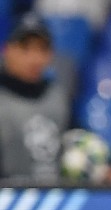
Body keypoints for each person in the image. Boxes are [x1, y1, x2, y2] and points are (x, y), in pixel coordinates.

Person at [0, 15, 69, 184]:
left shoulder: (58, 96)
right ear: (8, 50)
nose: (35, 59)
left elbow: (72, 144)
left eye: (42, 49)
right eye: (26, 48)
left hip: (56, 199)